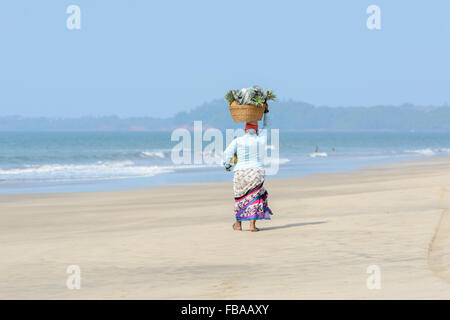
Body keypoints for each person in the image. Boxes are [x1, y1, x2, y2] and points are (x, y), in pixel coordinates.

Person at [222, 105, 273, 232]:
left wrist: (227, 165)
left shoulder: (237, 141)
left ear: (245, 129)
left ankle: (238, 225)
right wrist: (266, 111)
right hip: (256, 171)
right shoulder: (261, 139)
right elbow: (266, 127)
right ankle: (252, 225)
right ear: (256, 129)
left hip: (240, 172)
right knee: (254, 196)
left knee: (239, 196)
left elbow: (226, 154)